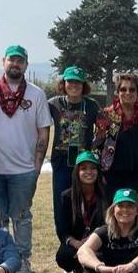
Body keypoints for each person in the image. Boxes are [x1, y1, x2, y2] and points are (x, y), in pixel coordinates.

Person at [0, 45, 52, 273]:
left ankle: (22, 259)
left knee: (22, 216)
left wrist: (37, 165)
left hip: (23, 169)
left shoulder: (36, 94)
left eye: (20, 61)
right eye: (12, 60)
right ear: (3, 62)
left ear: (26, 65)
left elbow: (43, 131)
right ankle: (1, 259)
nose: (15, 64)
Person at [48, 65, 100, 247]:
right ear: (64, 83)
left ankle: (87, 243)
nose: (74, 85)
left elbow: (102, 131)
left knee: (83, 202)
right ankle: (67, 245)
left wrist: (92, 148)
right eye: (70, 81)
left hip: (83, 164)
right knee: (62, 203)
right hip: (62, 162)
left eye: (78, 82)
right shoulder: (53, 104)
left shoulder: (92, 105)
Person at [94, 72, 138, 194]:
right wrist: (100, 173)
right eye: (123, 89)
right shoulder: (106, 115)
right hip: (110, 175)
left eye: (132, 89)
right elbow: (96, 145)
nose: (128, 93)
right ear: (117, 92)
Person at [55, 151, 107, 273]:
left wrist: (92, 240)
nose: (89, 172)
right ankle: (77, 269)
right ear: (77, 172)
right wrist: (77, 243)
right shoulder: (66, 196)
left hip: (98, 240)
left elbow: (108, 225)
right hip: (76, 243)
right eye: (84, 168)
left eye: (93, 168)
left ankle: (92, 271)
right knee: (63, 256)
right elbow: (62, 229)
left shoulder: (106, 195)